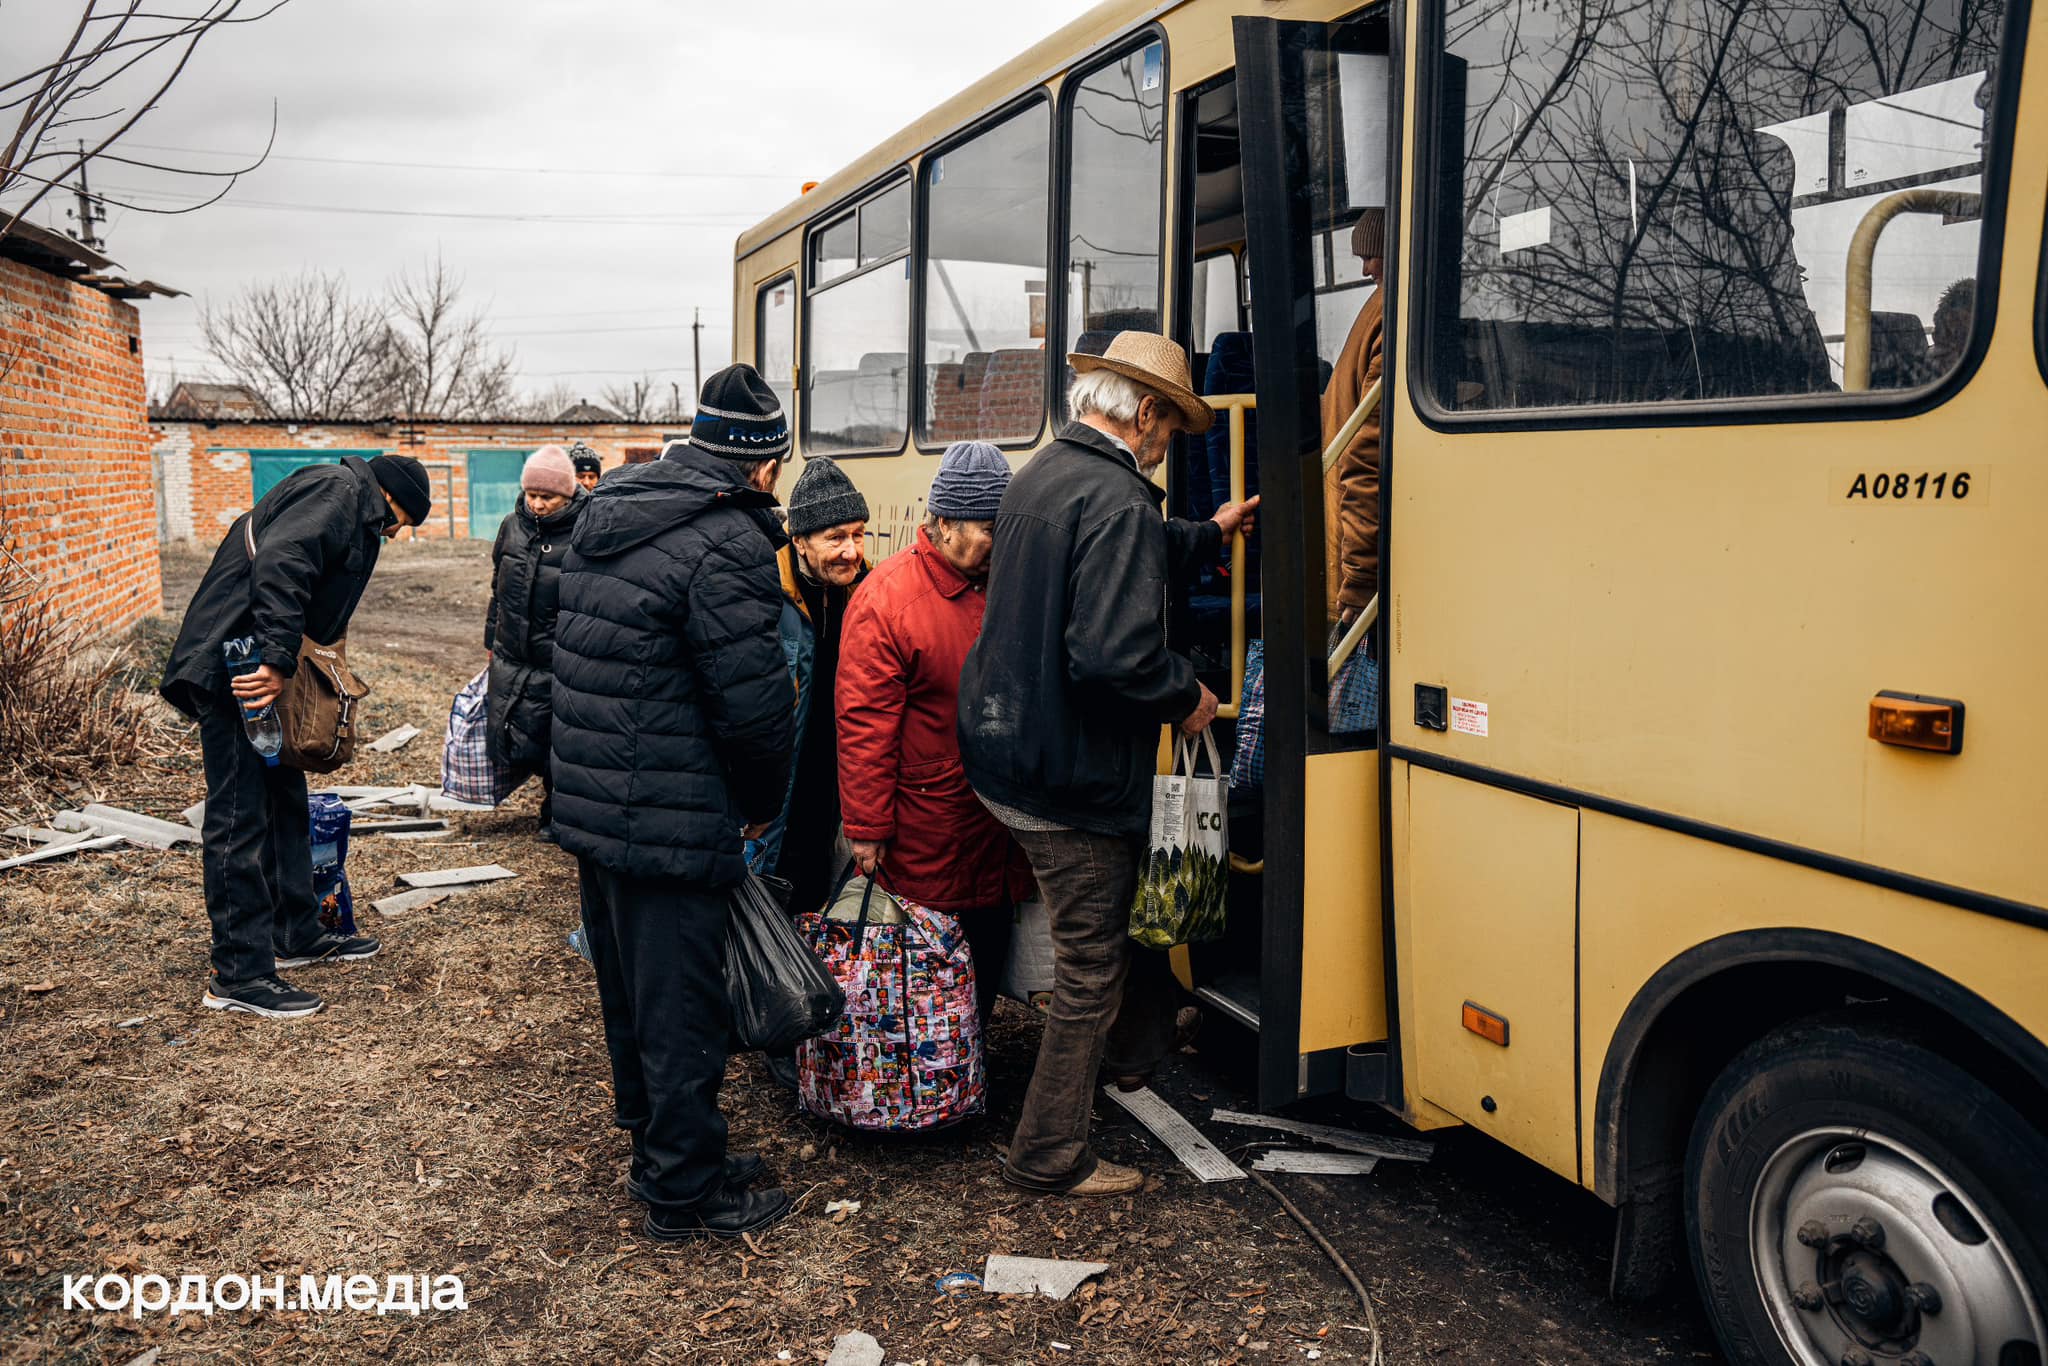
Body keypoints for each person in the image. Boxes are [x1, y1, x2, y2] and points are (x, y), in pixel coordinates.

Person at [958, 332, 1259, 1197]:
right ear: (1150, 412)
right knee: (1091, 964)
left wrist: (1204, 533)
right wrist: (1187, 694)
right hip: (1071, 781)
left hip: (1007, 756)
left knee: (1125, 919)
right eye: (1173, 427)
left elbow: (1098, 561)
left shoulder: (1046, 473)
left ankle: (1136, 1055)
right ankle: (1049, 1153)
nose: (1171, 443)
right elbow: (1112, 655)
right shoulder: (1121, 500)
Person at [549, 364, 797, 1239]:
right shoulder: (727, 541)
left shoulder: (612, 513)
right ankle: (685, 1193)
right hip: (671, 807)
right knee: (682, 1005)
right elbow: (756, 707)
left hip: (594, 801)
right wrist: (762, 802)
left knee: (633, 993)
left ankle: (660, 1148)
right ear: (762, 464)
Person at [160, 453, 431, 1019]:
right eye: (397, 522)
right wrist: (279, 659)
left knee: (285, 798)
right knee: (240, 815)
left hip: (257, 663)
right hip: (241, 666)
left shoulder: (348, 499)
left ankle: (295, 934)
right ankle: (239, 974)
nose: (394, 533)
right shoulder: (338, 491)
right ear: (390, 497)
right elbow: (283, 563)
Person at [836, 442, 1036, 1029]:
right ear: (944, 523)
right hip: (929, 821)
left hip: (995, 819)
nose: (1000, 542)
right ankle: (926, 1078)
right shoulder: (889, 600)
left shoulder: (1004, 584)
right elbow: (864, 724)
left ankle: (964, 1068)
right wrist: (868, 828)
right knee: (928, 960)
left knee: (987, 942)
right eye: (988, 527)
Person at [746, 455, 870, 918]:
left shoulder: (869, 592)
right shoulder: (764, 591)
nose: (850, 551)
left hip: (837, 783)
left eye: (858, 535)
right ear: (798, 539)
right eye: (835, 537)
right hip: (782, 786)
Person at [484, 445, 586, 841]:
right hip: (513, 651)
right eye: (532, 495)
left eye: (548, 497)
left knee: (558, 742)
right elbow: (498, 585)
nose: (538, 504)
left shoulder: (583, 529)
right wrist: (491, 636)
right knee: (518, 730)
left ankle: (556, 813)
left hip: (558, 657)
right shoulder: (512, 525)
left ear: (567, 495)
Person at [1321, 208, 1384, 623]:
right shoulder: (1392, 313)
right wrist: (1359, 579)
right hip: (1355, 552)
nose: (1364, 271)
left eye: (1370, 256)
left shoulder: (1381, 312)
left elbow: (1363, 456)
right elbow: (1365, 458)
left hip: (1346, 541)